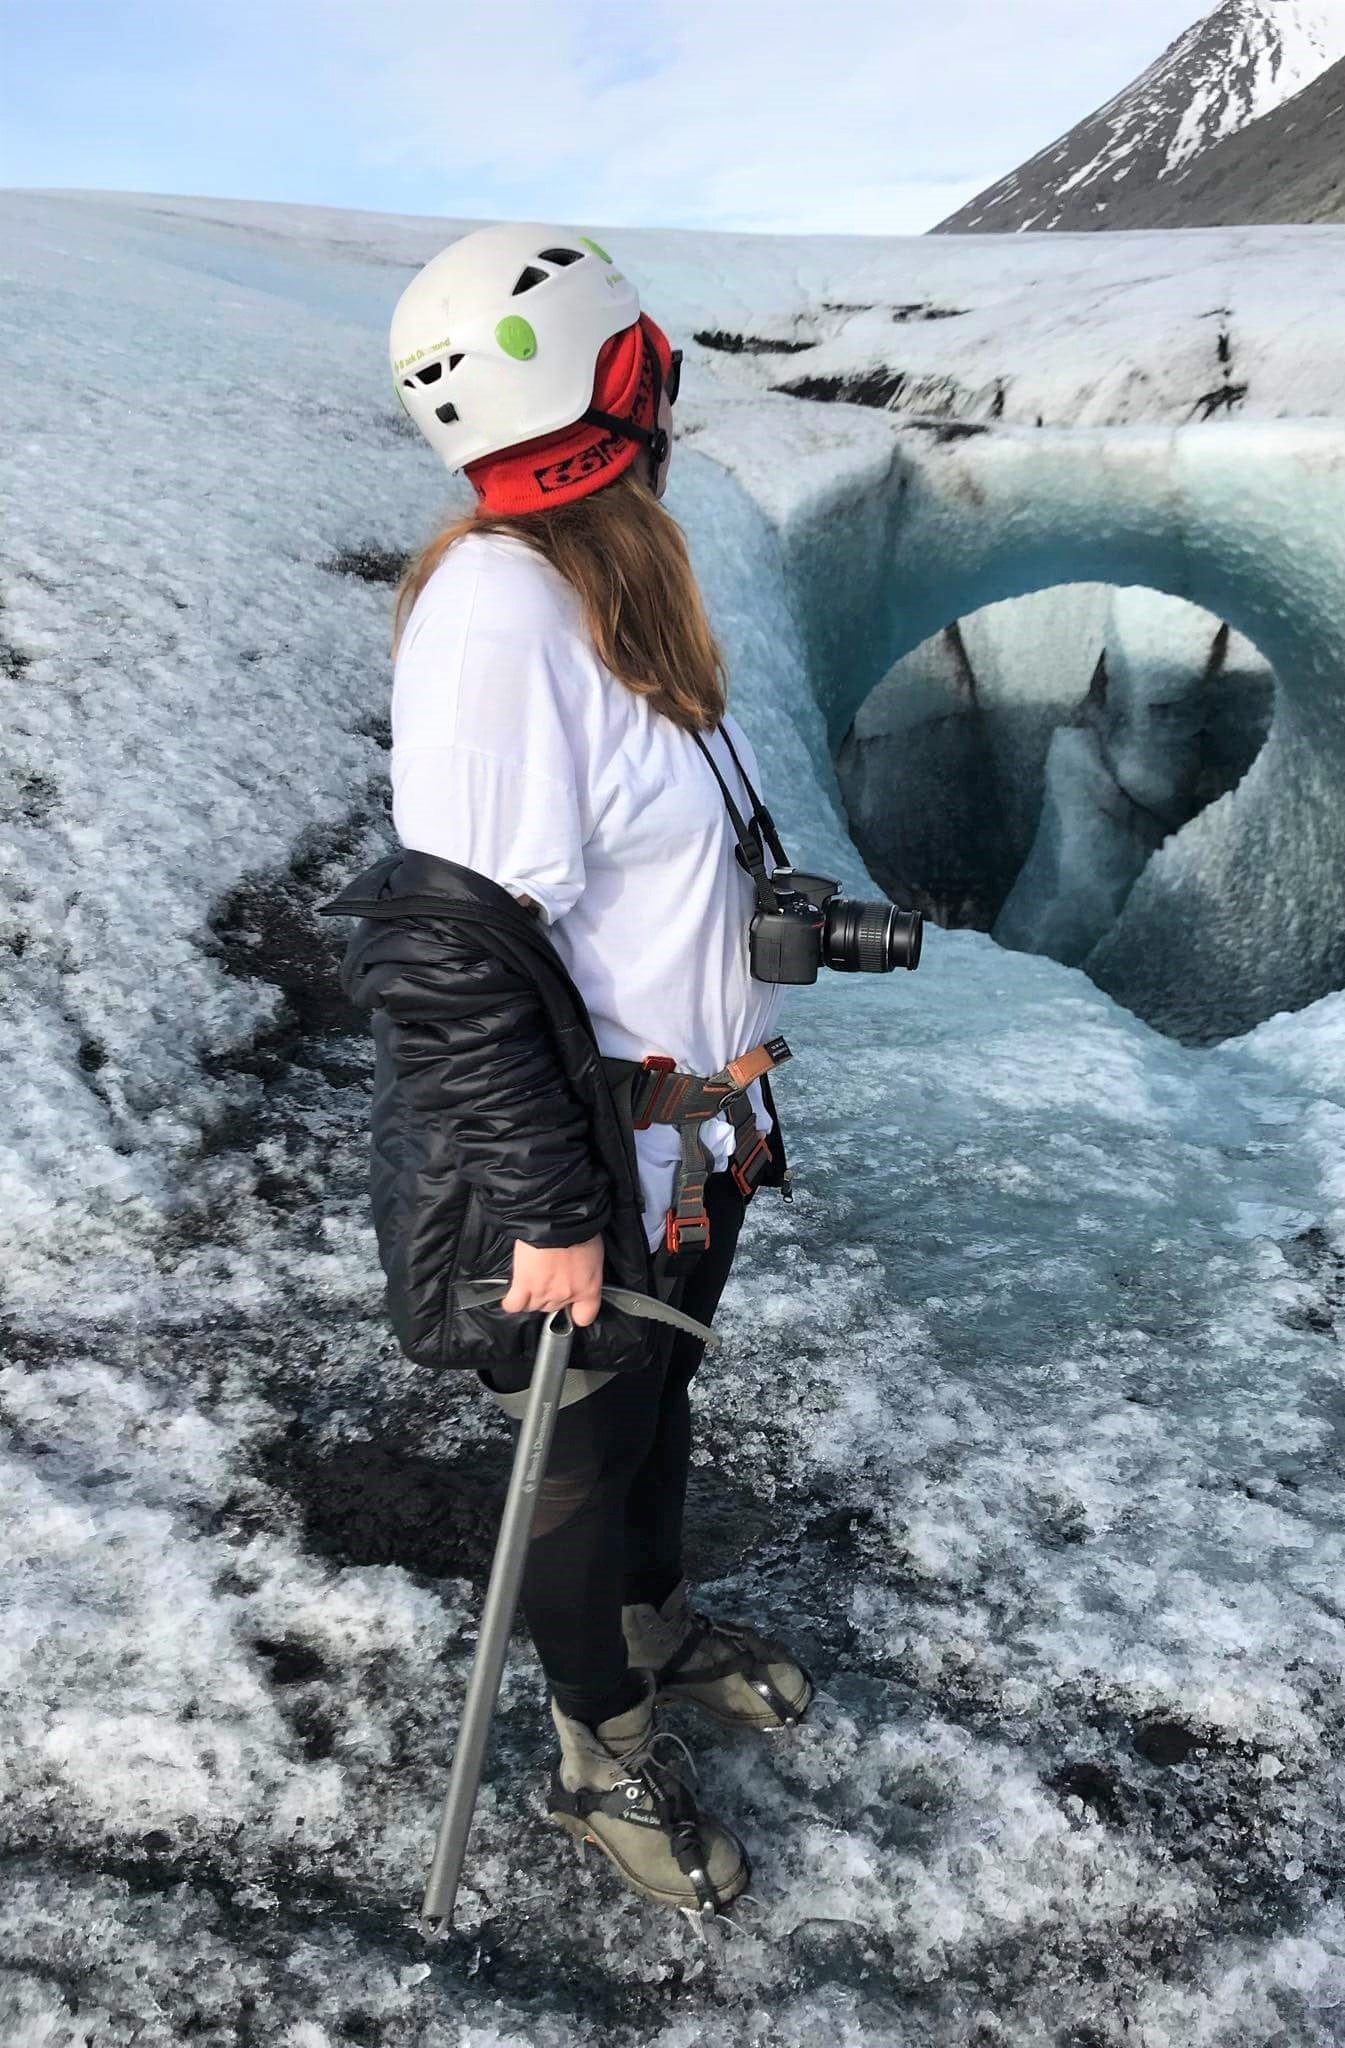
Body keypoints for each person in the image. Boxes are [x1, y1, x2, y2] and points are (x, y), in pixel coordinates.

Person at [317, 223, 813, 1920]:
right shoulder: (498, 610)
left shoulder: (602, 581)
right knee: (581, 1454)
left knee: (656, 1409)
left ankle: (653, 1637)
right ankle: (596, 1747)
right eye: (646, 362)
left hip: (687, 1129)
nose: (665, 388)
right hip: (592, 1153)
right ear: (614, 385)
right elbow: (443, 953)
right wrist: (548, 1205)